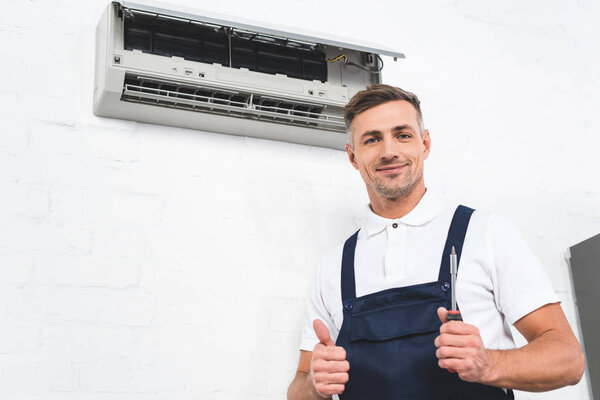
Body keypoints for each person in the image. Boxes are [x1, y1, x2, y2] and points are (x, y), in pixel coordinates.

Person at [287, 84, 585, 400]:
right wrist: (313, 386)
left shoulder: (485, 232)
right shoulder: (332, 267)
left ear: (425, 144)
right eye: (372, 139)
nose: (388, 151)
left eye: (402, 135)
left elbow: (568, 359)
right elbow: (299, 389)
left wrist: (488, 364)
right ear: (352, 156)